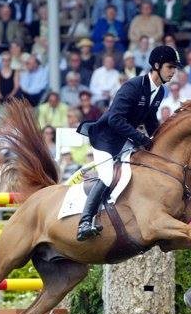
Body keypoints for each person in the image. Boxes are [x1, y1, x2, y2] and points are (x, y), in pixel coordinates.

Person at [75, 45, 180, 241]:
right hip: (105, 139)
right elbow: (114, 119)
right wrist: (141, 139)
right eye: (170, 67)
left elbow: (150, 121)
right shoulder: (133, 86)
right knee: (107, 176)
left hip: (125, 140)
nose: (173, 72)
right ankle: (85, 221)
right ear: (157, 66)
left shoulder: (160, 92)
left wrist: (160, 140)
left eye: (175, 68)